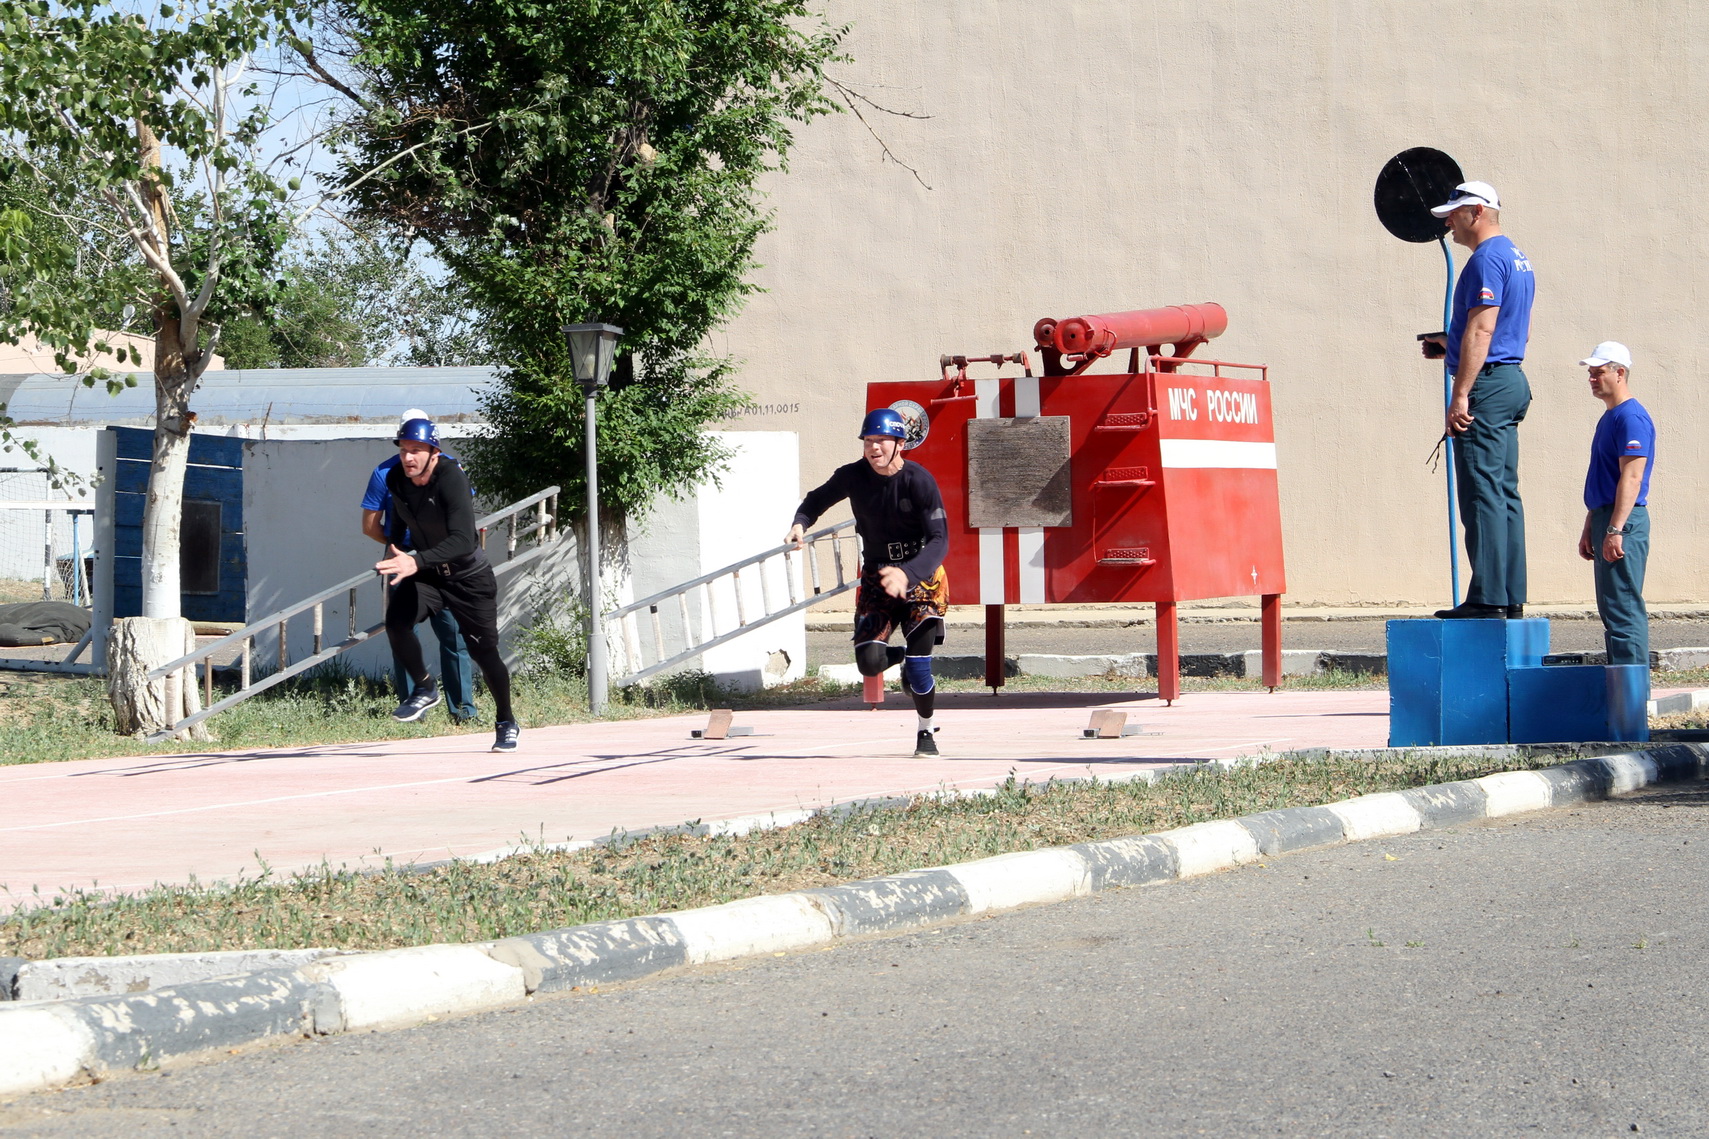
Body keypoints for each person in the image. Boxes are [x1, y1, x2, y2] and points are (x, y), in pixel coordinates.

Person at [787, 408, 949, 757]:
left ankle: (926, 731)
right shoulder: (852, 476)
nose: (873, 448)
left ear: (900, 444)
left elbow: (940, 540)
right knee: (869, 662)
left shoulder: (919, 480)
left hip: (921, 575)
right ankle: (905, 656)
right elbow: (816, 499)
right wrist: (801, 523)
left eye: (881, 441)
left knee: (921, 668)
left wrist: (908, 572)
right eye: (868, 442)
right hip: (877, 573)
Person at [1420, 181, 1537, 619]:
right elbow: (1500, 328)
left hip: (1487, 386)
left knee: (1481, 492)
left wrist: (1460, 393)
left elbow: (1483, 329)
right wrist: (1449, 346)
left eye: (1453, 212)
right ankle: (1510, 595)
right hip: (1509, 378)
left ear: (1476, 212)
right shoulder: (1515, 256)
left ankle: (1487, 598)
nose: (1448, 221)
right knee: (1504, 492)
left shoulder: (1486, 259)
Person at [376, 417, 520, 752]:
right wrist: (396, 547)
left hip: (468, 577)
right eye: (403, 451)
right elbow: (398, 515)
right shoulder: (397, 478)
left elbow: (461, 541)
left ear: (433, 453)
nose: (408, 458)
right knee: (396, 623)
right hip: (427, 574)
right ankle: (425, 688)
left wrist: (415, 560)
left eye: (416, 451)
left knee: (483, 653)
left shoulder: (451, 478)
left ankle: (505, 720)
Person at [361, 408, 478, 723]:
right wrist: (402, 550)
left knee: (453, 632)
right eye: (405, 445)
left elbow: (462, 518)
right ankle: (423, 708)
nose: (410, 453)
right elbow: (370, 525)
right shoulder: (385, 473)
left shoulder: (450, 470)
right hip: (407, 559)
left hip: (442, 559)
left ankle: (463, 712)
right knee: (402, 631)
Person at [1576, 341, 1654, 669]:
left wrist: (1614, 529)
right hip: (1607, 518)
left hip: (1623, 521)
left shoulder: (1631, 418)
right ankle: (1619, 687)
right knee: (1611, 607)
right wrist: (1591, 524)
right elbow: (1605, 479)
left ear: (1620, 373)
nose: (1592, 379)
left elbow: (1631, 479)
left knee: (1623, 608)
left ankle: (1633, 694)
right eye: (1590, 374)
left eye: (1599, 373)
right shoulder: (1609, 418)